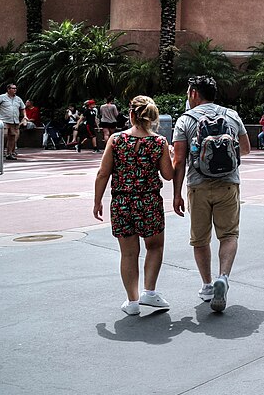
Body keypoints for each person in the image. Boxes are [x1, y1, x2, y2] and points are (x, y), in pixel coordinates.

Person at [171, 75, 251, 312]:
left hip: (198, 186)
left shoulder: (185, 120)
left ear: (194, 93)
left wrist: (176, 195)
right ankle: (223, 277)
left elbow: (179, 160)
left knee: (200, 239)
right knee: (229, 235)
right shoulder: (232, 115)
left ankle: (207, 285)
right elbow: (245, 149)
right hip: (228, 184)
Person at [93, 95, 174, 316]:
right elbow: (168, 175)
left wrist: (97, 200)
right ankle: (150, 291)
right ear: (152, 117)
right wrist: (172, 157)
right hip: (149, 201)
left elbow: (103, 173)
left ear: (130, 115)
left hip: (122, 202)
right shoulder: (159, 142)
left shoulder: (117, 140)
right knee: (154, 247)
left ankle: (132, 301)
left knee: (128, 254)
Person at [0, 83, 25, 161]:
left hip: (14, 121)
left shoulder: (18, 99)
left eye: (15, 88)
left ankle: (9, 153)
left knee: (12, 137)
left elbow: (23, 108)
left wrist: (25, 116)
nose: (15, 90)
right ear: (8, 89)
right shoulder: (1, 97)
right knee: (4, 135)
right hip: (4, 120)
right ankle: (1, 151)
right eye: (13, 88)